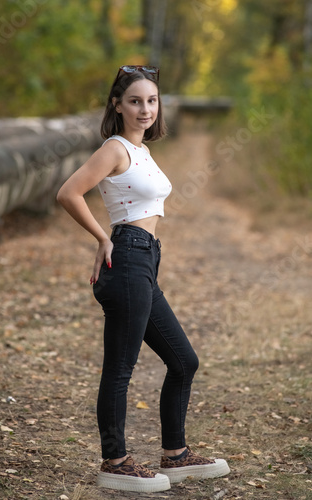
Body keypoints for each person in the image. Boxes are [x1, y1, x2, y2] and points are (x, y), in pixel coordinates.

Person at [56, 65, 230, 493]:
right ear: (117, 105)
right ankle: (115, 460)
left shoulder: (142, 151)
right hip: (127, 257)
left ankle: (176, 455)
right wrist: (102, 237)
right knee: (120, 368)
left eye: (151, 100)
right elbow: (68, 192)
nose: (145, 108)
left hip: (146, 260)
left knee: (183, 360)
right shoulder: (114, 148)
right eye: (135, 101)